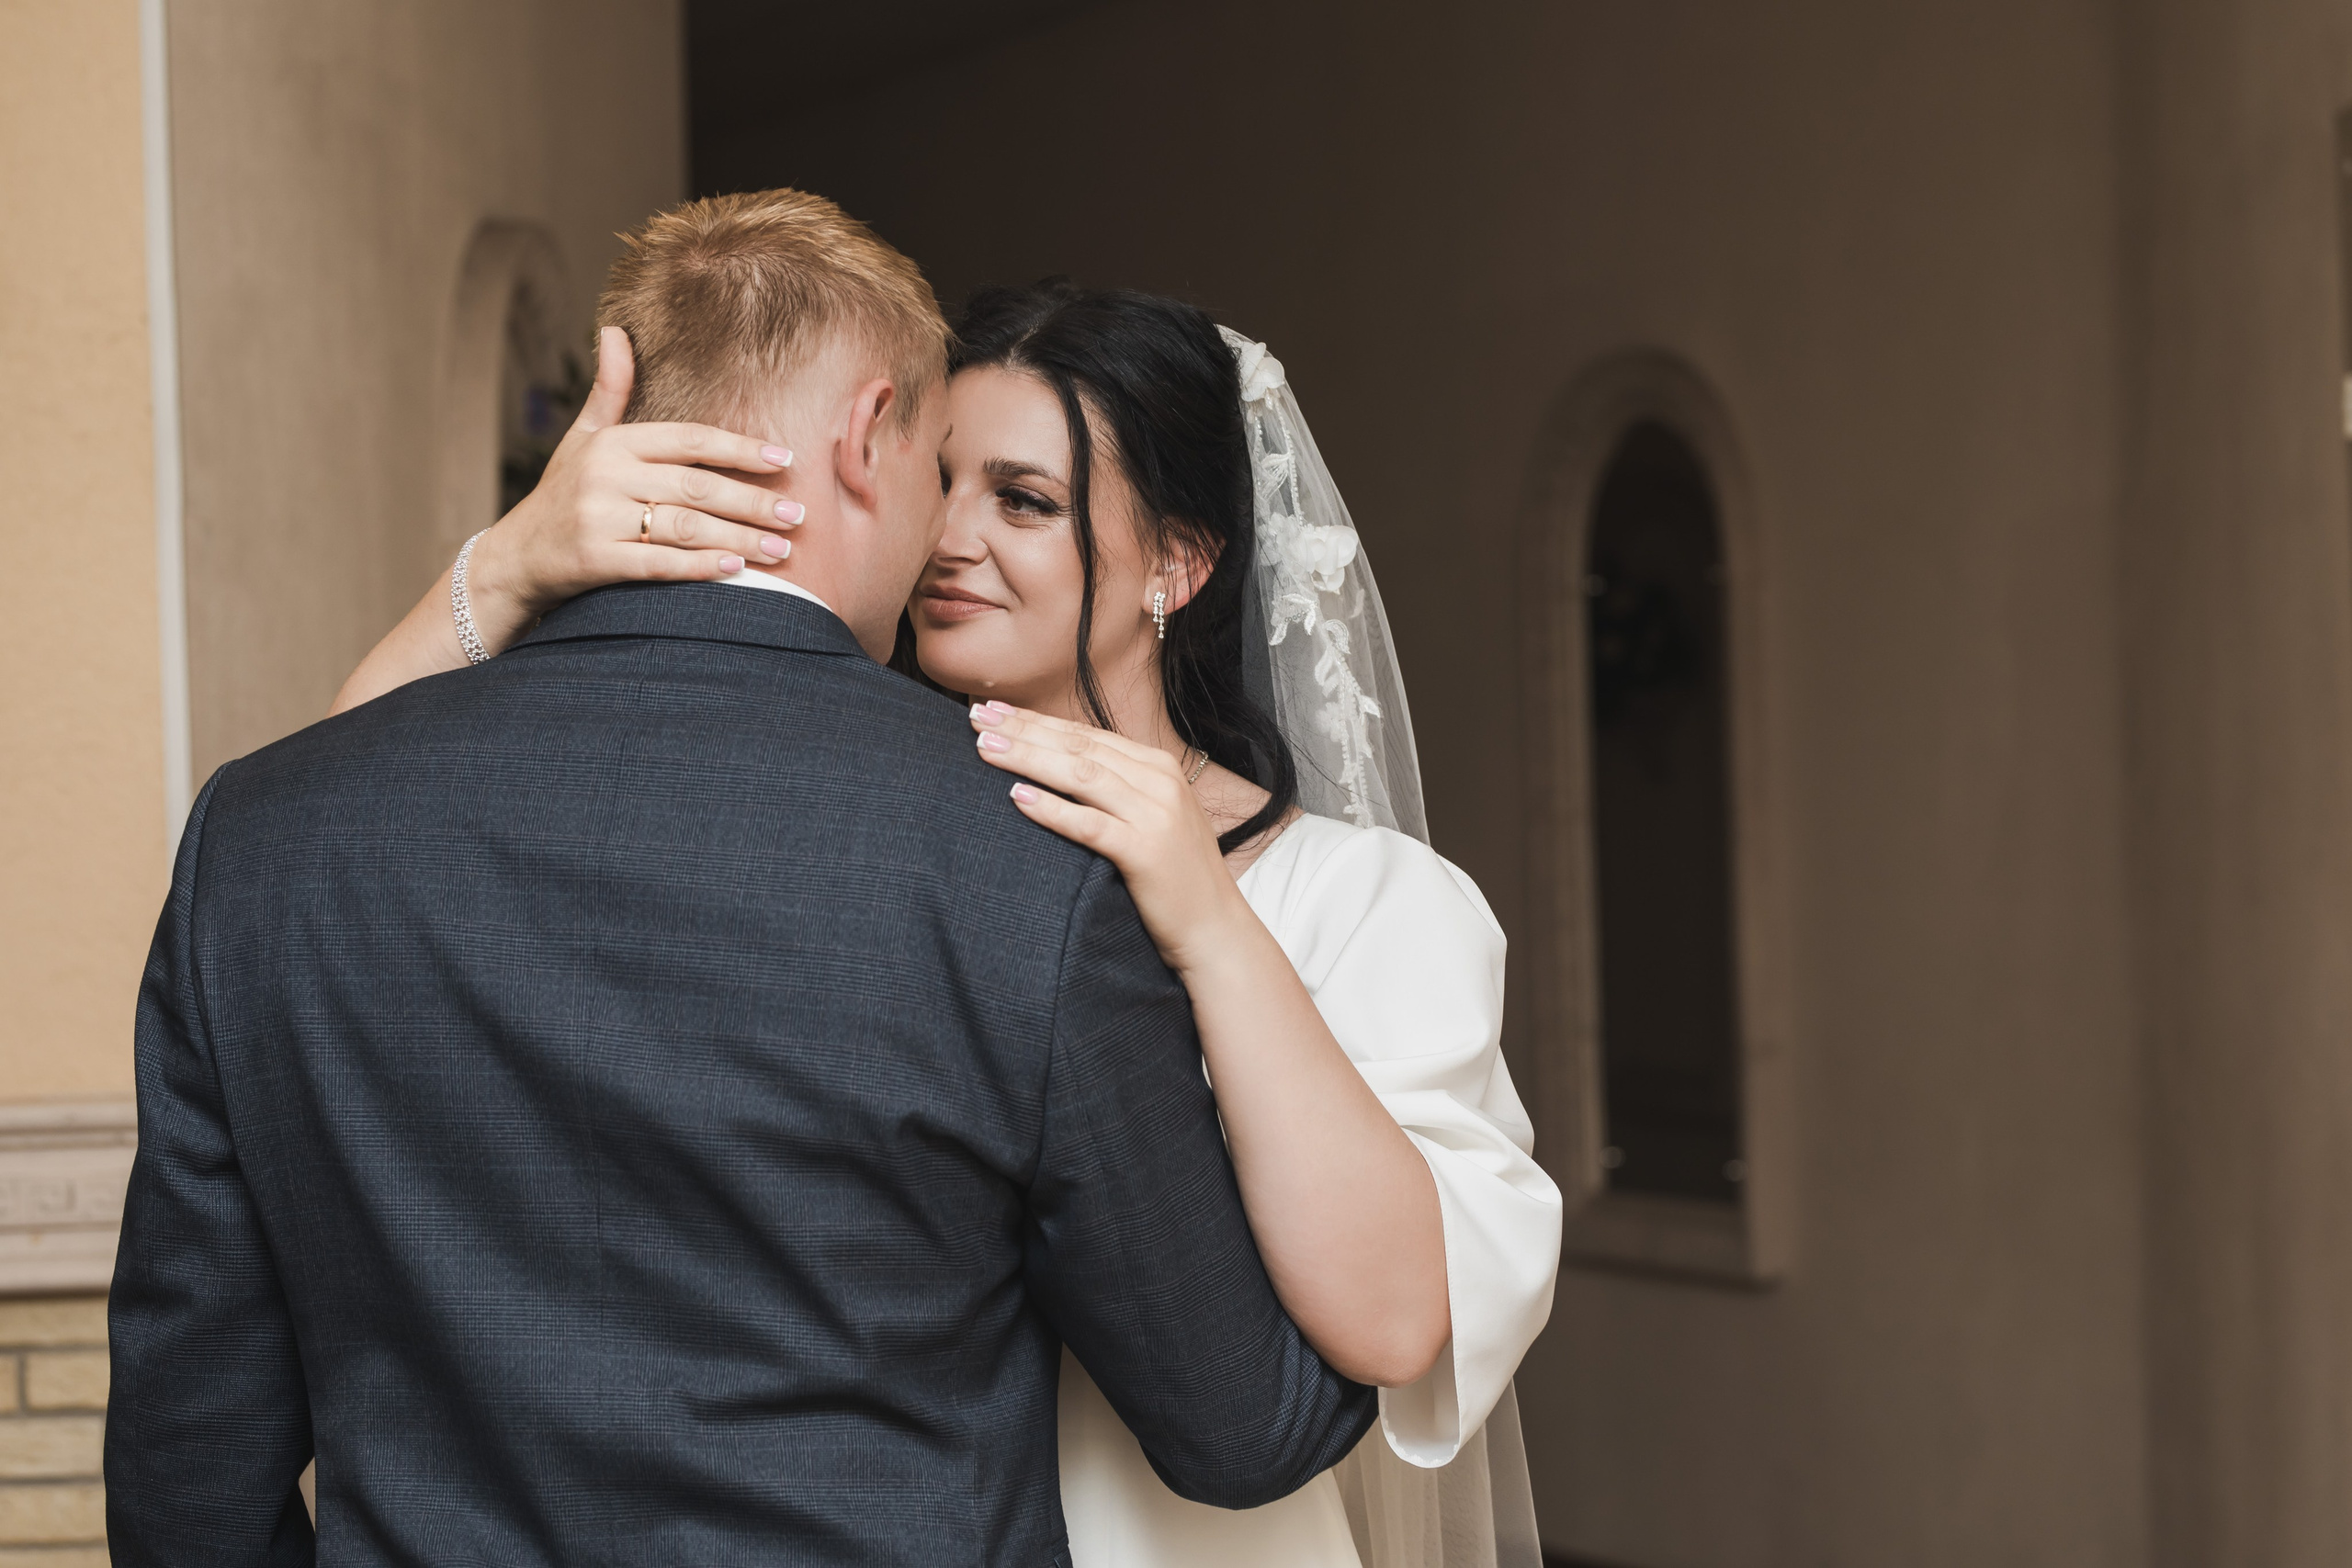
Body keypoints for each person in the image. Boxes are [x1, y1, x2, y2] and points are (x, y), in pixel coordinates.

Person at [104, 189, 1377, 1568]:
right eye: (939, 458)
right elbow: (1241, 1430)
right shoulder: (1025, 849)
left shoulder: (267, 836)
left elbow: (190, 1479)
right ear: (865, 435)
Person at [331, 243, 1564, 1564]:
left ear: (1179, 566)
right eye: (942, 481)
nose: (952, 539)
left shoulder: (1371, 901)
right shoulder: (847, 842)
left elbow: (1395, 1323)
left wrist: (1207, 920)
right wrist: (511, 565)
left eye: (1024, 499)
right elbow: (332, 840)